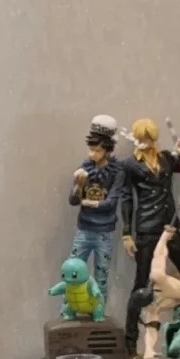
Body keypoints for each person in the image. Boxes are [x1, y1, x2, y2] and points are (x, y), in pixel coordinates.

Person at [120, 118, 180, 354]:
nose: (145, 142)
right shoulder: (129, 165)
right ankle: (130, 343)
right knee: (141, 286)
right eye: (142, 138)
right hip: (147, 227)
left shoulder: (167, 158)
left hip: (170, 225)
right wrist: (127, 233)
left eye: (149, 138)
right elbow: (126, 198)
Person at [67, 115, 123, 303]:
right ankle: (70, 308)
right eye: (91, 149)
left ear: (107, 150)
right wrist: (78, 185)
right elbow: (73, 201)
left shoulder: (116, 172)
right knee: (73, 271)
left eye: (97, 150)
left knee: (101, 277)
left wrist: (87, 203)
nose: (92, 154)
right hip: (84, 228)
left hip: (104, 231)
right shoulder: (84, 169)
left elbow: (110, 203)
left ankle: (98, 311)